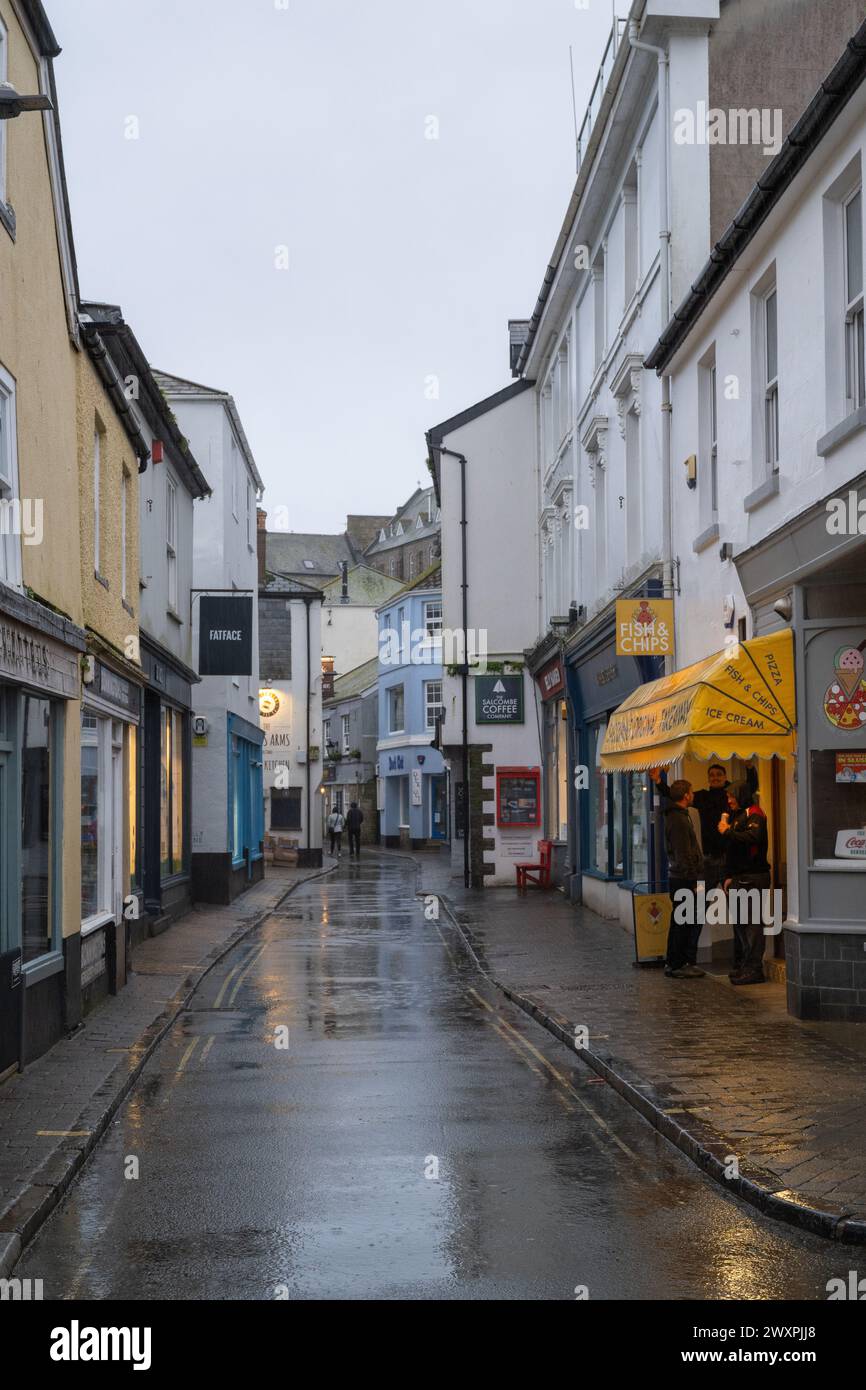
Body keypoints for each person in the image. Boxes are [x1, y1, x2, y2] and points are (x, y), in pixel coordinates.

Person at [651, 763, 755, 891]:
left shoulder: (732, 795)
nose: (715, 778)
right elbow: (676, 796)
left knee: (735, 900)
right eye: (711, 775)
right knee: (700, 899)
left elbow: (751, 787)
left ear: (725, 776)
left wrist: (750, 768)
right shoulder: (703, 797)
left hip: (729, 859)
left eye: (718, 775)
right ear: (708, 779)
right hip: (707, 861)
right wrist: (658, 780)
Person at [717, 782, 771, 985]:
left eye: (732, 796)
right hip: (740, 878)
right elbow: (732, 851)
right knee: (741, 924)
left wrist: (727, 831)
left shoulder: (754, 813)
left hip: (753, 877)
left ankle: (754, 969)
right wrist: (728, 877)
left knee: (752, 925)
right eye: (728, 796)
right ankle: (746, 966)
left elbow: (753, 837)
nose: (729, 800)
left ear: (742, 794)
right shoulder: (739, 815)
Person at [658, 779, 705, 979]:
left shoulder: (678, 816)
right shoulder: (678, 819)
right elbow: (683, 852)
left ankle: (675, 962)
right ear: (686, 795)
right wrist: (693, 880)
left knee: (681, 921)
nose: (693, 795)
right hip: (683, 878)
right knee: (683, 922)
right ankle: (677, 964)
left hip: (680, 876)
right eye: (691, 792)